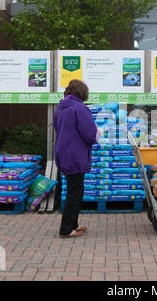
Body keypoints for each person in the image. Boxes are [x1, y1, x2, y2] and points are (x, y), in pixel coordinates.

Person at [54, 79, 101, 238]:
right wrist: (97, 133)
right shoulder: (80, 109)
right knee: (75, 192)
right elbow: (89, 134)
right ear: (82, 93)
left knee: (75, 190)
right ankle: (66, 229)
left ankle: (73, 225)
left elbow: (58, 128)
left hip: (64, 153)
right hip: (75, 154)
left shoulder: (60, 108)